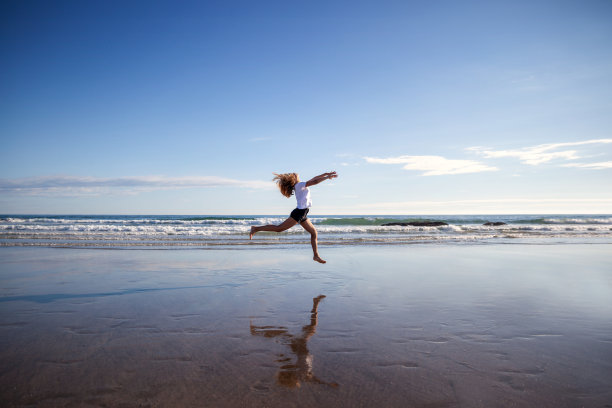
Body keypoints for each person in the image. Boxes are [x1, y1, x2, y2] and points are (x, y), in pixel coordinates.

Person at [249, 171, 337, 263]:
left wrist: (326, 174)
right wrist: (327, 177)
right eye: (294, 174)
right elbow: (315, 182)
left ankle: (316, 256)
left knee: (314, 233)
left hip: (303, 214)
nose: (296, 173)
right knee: (279, 228)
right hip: (299, 213)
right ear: (293, 179)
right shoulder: (299, 185)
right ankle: (255, 228)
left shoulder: (300, 185)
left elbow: (314, 179)